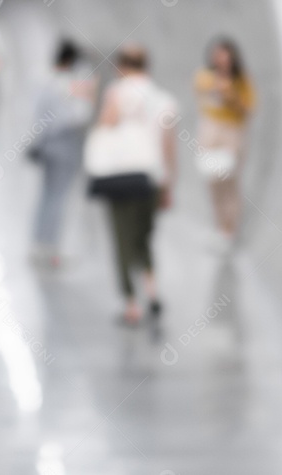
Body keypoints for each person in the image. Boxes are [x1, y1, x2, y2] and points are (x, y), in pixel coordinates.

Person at [95, 44, 177, 325]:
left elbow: (106, 127)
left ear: (121, 66)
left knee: (122, 238)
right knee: (144, 238)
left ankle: (131, 303)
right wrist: (168, 185)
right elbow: (169, 148)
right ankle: (152, 291)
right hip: (153, 179)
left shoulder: (117, 93)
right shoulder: (164, 100)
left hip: (123, 176)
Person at [28, 40, 95, 267]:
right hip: (65, 144)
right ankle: (52, 250)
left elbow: (38, 116)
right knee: (59, 197)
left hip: (47, 144)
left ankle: (38, 245)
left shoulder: (45, 80)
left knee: (46, 197)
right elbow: (79, 116)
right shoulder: (71, 84)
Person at [194, 36, 255, 241]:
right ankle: (219, 224)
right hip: (211, 130)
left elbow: (248, 108)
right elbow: (203, 92)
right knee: (213, 180)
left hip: (232, 131)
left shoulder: (241, 81)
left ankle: (230, 227)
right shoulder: (205, 77)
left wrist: (231, 95)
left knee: (230, 180)